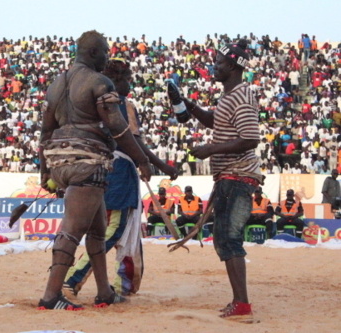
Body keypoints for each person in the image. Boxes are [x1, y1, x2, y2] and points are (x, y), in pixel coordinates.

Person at [39, 30, 153, 310]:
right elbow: (118, 127)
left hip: (59, 160)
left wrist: (44, 171)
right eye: (104, 51)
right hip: (87, 161)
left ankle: (104, 291)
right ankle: (51, 295)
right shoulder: (98, 81)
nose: (107, 56)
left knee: (98, 229)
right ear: (92, 53)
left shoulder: (56, 83)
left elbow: (45, 130)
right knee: (72, 230)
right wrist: (142, 160)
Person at [62, 58, 178, 299]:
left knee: (120, 231)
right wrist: (157, 165)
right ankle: (72, 279)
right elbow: (133, 141)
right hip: (120, 171)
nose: (130, 84)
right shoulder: (121, 104)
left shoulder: (88, 103)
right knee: (114, 230)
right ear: (115, 81)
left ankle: (121, 285)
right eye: (127, 79)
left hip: (97, 168)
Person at [170, 39, 261, 322]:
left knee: (227, 239)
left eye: (219, 63)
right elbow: (216, 123)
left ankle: (242, 303)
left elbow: (250, 138)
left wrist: (210, 149)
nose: (214, 67)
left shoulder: (240, 95)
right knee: (225, 238)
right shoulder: (230, 96)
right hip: (231, 175)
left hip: (237, 175)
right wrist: (189, 106)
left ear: (232, 66)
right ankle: (239, 301)